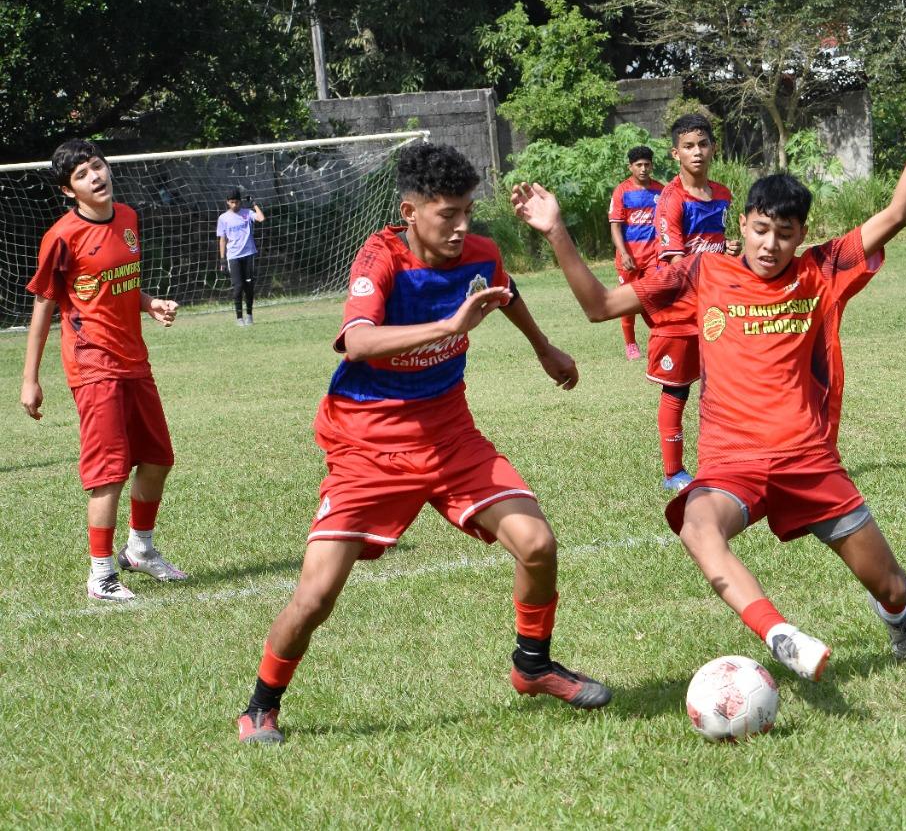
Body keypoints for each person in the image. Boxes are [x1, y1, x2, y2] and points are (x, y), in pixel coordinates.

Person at [512, 55, 906, 681]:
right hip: (734, 461)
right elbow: (598, 307)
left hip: (809, 460)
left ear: (800, 234)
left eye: (784, 234)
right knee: (698, 527)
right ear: (743, 226)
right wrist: (558, 231)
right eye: (759, 230)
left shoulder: (821, 271)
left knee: (891, 584)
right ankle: (777, 632)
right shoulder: (703, 273)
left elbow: (894, 213)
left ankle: (898, 618)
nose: (768, 245)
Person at [236, 142, 611, 745]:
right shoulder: (379, 258)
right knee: (316, 594)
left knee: (537, 544)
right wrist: (447, 327)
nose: (462, 227)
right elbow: (356, 341)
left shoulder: (480, 254)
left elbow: (504, 291)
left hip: (449, 433)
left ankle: (533, 667)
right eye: (447, 215)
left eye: (467, 211)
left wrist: (544, 349)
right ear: (410, 211)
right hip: (368, 442)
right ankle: (260, 708)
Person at [20, 139, 187, 603]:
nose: (95, 176)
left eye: (97, 166)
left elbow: (118, 284)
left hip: (135, 360)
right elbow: (43, 308)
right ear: (68, 191)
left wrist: (150, 303)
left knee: (157, 459)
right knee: (108, 471)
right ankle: (100, 574)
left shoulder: (129, 219)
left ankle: (141, 550)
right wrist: (30, 378)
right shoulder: (62, 237)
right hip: (93, 365)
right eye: (82, 174)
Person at [648, 114, 741, 492]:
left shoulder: (722, 194)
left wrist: (729, 249)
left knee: (722, 385)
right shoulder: (670, 200)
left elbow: (717, 245)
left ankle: (723, 459)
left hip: (715, 305)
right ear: (676, 153)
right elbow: (674, 261)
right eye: (688, 146)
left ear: (713, 148)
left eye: (703, 144)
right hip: (678, 310)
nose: (697, 152)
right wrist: (717, 260)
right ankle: (673, 472)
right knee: (677, 388)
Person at [607, 145, 664, 361]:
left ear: (651, 166)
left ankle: (658, 339)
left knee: (654, 299)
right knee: (628, 302)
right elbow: (615, 227)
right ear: (630, 167)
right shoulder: (622, 191)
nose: (643, 169)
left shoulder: (661, 190)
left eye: (646, 164)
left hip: (654, 257)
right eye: (638, 165)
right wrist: (624, 253)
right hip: (629, 257)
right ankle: (630, 343)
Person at [217, 188, 265, 325]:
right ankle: (239, 318)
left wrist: (254, 204)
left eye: (237, 202)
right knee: (237, 287)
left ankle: (249, 315)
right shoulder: (223, 218)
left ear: (240, 202)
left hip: (248, 254)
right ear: (227, 202)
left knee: (249, 287)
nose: (234, 205)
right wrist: (222, 260)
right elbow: (222, 239)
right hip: (233, 256)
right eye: (232, 202)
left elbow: (261, 218)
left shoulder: (247, 213)